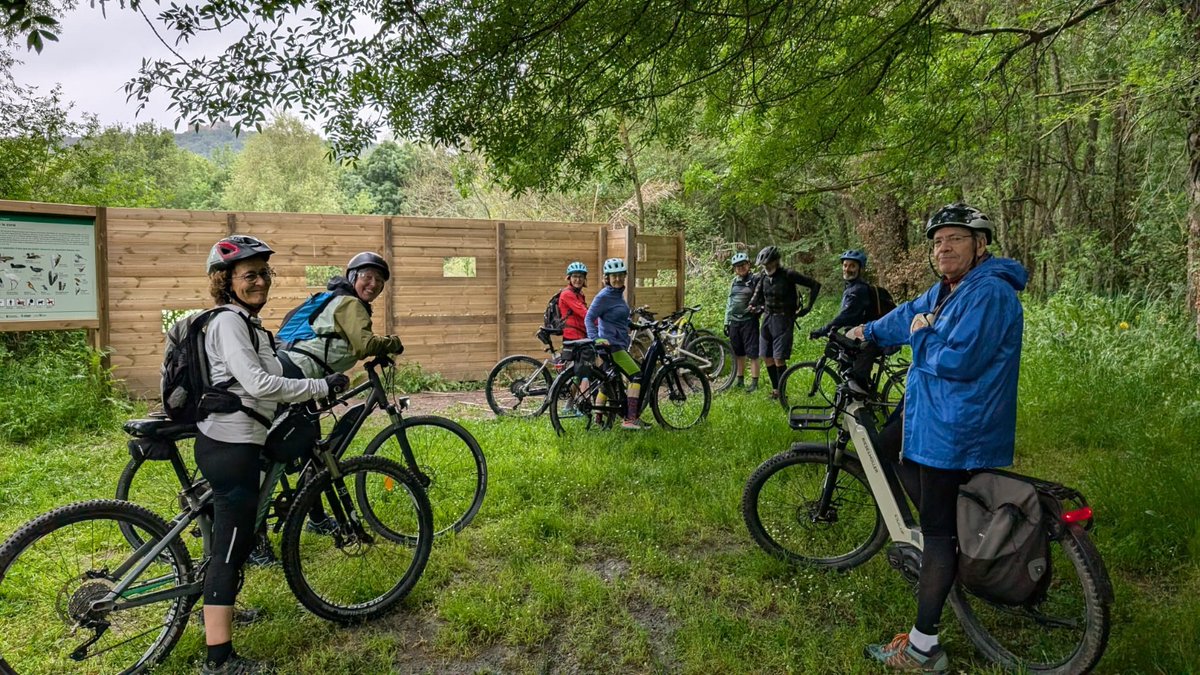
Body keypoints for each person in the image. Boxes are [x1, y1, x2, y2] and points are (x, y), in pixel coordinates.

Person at [847, 203, 1027, 672]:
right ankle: (943, 531)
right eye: (938, 241)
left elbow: (960, 361)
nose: (943, 248)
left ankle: (924, 647)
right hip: (932, 417)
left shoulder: (989, 293)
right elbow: (910, 313)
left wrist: (922, 337)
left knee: (938, 533)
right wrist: (867, 331)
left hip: (957, 427)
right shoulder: (950, 289)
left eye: (956, 239)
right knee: (886, 447)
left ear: (980, 245)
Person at [197, 235, 348, 674]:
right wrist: (318, 386)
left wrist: (307, 380)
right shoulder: (229, 323)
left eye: (264, 273)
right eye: (249, 275)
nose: (260, 281)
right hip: (232, 446)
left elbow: (273, 373)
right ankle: (219, 661)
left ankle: (217, 606)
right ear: (226, 282)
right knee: (231, 548)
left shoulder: (247, 323)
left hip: (239, 440)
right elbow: (258, 384)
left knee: (229, 539)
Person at [276, 252, 405, 380]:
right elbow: (366, 346)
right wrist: (394, 343)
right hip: (299, 367)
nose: (374, 284)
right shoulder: (350, 303)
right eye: (367, 277)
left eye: (379, 280)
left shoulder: (337, 298)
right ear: (353, 277)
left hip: (291, 363)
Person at [747, 245, 821, 399]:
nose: (766, 267)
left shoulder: (788, 274)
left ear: (776, 261)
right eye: (764, 264)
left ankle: (782, 393)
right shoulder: (763, 276)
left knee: (778, 358)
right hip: (767, 318)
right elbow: (757, 294)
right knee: (766, 356)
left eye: (768, 263)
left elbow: (814, 285)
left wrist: (808, 307)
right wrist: (752, 306)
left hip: (783, 319)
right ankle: (776, 390)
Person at [584, 258, 648, 430]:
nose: (617, 279)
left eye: (620, 275)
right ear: (607, 278)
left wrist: (632, 325)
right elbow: (589, 318)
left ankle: (599, 421)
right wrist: (596, 338)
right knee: (636, 376)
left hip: (616, 343)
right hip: (612, 346)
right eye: (614, 276)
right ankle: (630, 419)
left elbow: (617, 318)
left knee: (607, 384)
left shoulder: (617, 295)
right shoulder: (604, 296)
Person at [810, 249, 881, 391]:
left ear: (861, 269)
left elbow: (846, 316)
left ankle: (862, 399)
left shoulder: (858, 290)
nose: (847, 269)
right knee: (846, 363)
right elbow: (849, 316)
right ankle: (856, 394)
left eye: (852, 266)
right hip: (858, 335)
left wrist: (823, 330)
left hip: (867, 337)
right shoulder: (851, 287)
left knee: (857, 374)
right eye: (845, 265)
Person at [723, 252, 761, 392]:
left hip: (749, 321)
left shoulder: (755, 280)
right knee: (738, 352)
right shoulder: (734, 281)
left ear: (748, 265)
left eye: (743, 265)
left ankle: (754, 383)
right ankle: (740, 381)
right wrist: (726, 321)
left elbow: (761, 298)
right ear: (734, 269)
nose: (741, 268)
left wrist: (758, 309)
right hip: (734, 321)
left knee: (753, 353)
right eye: (737, 266)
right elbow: (730, 302)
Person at [558, 261, 590, 341]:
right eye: (575, 276)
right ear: (569, 278)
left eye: (581, 276)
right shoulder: (567, 294)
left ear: (584, 278)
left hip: (581, 334)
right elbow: (585, 313)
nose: (578, 280)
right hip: (573, 336)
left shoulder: (579, 293)